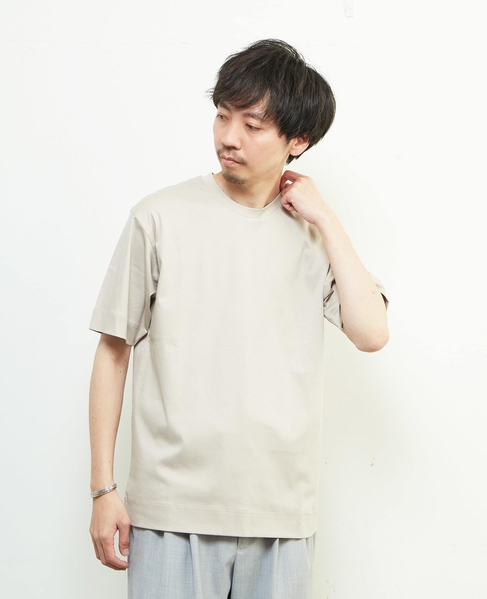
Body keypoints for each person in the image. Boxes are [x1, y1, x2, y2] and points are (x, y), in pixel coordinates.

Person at [88, 39, 389, 599]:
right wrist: (103, 489)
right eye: (223, 116)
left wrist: (326, 218)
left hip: (281, 511)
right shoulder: (158, 216)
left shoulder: (313, 234)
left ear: (298, 141)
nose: (229, 137)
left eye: (252, 125)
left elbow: (371, 333)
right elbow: (112, 351)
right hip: (171, 507)